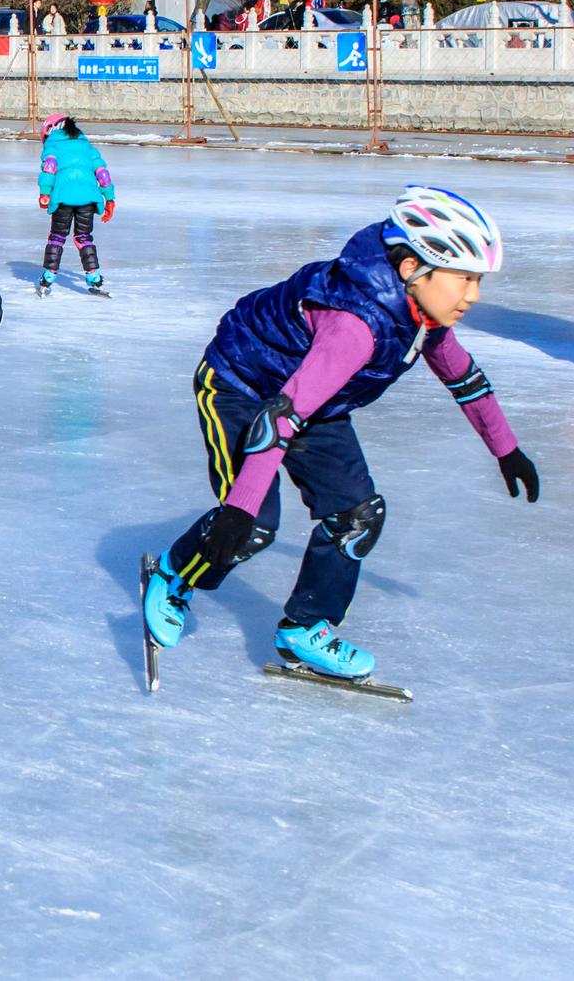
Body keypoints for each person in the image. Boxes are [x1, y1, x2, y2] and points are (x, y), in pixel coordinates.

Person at [141, 186, 540, 681]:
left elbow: (462, 375)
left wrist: (507, 450)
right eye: (464, 279)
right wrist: (241, 509)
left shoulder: (421, 314)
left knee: (356, 515)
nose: (473, 295)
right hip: (240, 385)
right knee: (254, 525)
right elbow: (279, 418)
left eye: (476, 280)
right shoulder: (356, 327)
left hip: (314, 402)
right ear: (413, 269)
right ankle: (173, 573)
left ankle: (305, 629)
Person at [35, 114, 115, 295]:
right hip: (88, 199)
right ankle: (95, 277)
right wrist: (109, 198)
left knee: (57, 236)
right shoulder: (87, 146)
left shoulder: (53, 146)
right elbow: (102, 173)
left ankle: (48, 277)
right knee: (84, 237)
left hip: (63, 198)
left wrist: (45, 193)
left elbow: (50, 167)